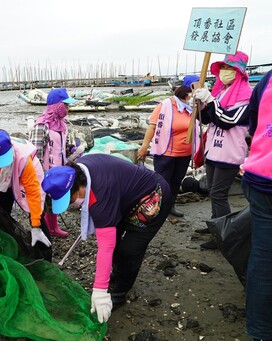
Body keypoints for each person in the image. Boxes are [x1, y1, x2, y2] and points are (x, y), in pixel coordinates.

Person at [41, 154, 173, 324]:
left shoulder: (99, 195)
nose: (70, 206)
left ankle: (119, 292)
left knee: (129, 250)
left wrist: (100, 291)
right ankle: (116, 275)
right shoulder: (77, 169)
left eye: (70, 199)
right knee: (116, 241)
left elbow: (105, 246)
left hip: (152, 197)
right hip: (123, 198)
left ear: (80, 186)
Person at [193, 51, 252, 249]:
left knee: (218, 194)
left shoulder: (246, 96)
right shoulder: (221, 92)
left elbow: (228, 120)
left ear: (239, 72)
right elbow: (211, 119)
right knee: (213, 190)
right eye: (223, 67)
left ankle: (223, 235)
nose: (225, 71)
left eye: (229, 68)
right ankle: (214, 225)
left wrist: (210, 100)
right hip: (214, 150)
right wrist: (201, 105)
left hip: (230, 153)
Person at [0, 129, 52, 260]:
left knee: (37, 214)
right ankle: (5, 247)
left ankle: (45, 255)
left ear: (10, 149)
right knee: (1, 211)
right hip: (1, 182)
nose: (1, 163)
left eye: (3, 159)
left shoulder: (24, 160)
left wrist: (35, 225)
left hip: (22, 175)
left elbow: (33, 193)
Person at [137, 75, 200, 218]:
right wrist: (144, 146)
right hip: (166, 153)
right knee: (162, 182)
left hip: (184, 154)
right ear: (186, 90)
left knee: (176, 181)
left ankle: (170, 205)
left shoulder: (192, 107)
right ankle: (156, 207)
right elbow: (152, 127)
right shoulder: (165, 105)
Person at [240, 69, 272, 341]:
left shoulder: (267, 80)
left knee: (263, 258)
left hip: (261, 177)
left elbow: (253, 126)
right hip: (261, 181)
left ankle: (260, 331)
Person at [30, 88, 76, 237]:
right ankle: (42, 228)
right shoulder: (42, 125)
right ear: (57, 105)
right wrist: (40, 175)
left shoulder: (62, 125)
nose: (68, 108)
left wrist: (72, 149)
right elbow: (35, 152)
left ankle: (54, 227)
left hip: (59, 169)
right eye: (65, 105)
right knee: (43, 201)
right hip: (45, 171)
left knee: (56, 198)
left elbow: (64, 146)